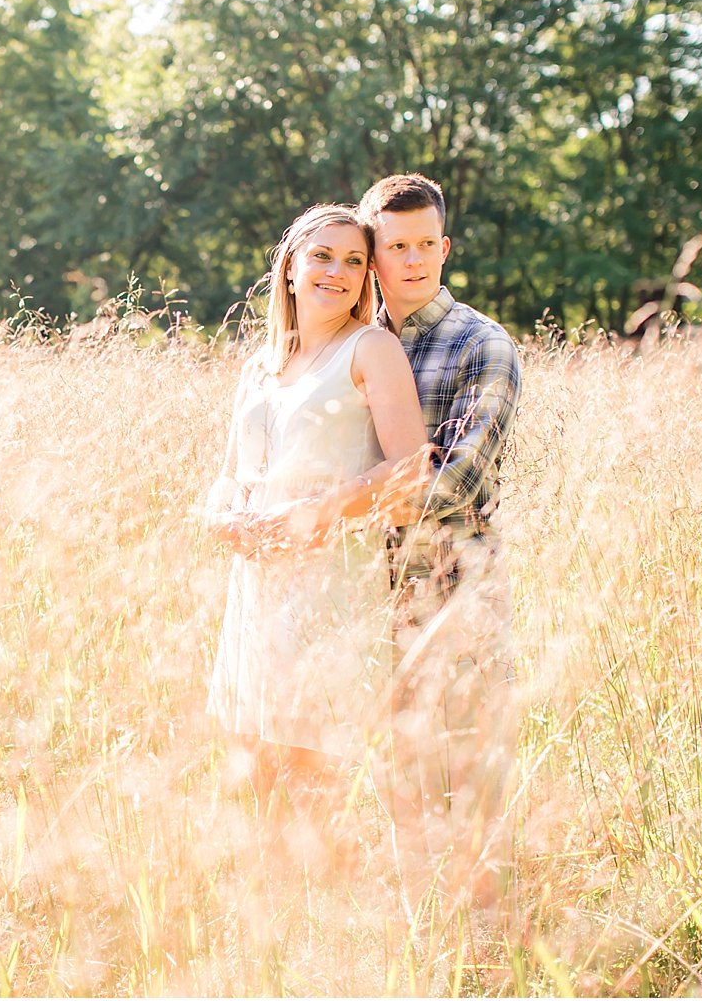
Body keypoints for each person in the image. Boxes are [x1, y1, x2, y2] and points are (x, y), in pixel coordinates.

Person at [205, 204, 431, 801]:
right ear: (290, 268)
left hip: (330, 582)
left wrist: (310, 514)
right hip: (253, 584)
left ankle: (316, 891)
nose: (338, 271)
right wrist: (220, 518)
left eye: (355, 261)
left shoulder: (370, 349)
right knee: (248, 771)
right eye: (323, 256)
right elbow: (230, 474)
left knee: (308, 778)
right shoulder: (261, 364)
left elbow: (410, 468)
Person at [352, 173, 523, 921]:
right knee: (397, 769)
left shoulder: (482, 346)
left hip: (457, 587)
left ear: (445, 246)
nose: (414, 261)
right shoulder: (352, 345)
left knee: (465, 766)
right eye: (396, 247)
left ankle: (482, 940)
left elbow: (457, 484)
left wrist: (326, 511)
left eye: (427, 244)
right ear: (372, 254)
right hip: (358, 590)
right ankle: (416, 925)